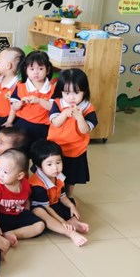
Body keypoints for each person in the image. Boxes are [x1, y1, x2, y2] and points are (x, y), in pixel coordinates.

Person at [47, 68, 98, 197]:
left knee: (71, 177)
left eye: (76, 93)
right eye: (66, 93)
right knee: (54, 173)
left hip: (76, 149)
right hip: (56, 147)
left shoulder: (87, 107)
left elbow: (84, 130)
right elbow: (56, 123)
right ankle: (54, 195)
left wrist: (80, 117)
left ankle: (68, 196)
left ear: (84, 91)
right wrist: (64, 113)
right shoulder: (57, 103)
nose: (71, 97)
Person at [29, 140, 89, 247]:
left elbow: (63, 197)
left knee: (74, 202)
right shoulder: (38, 185)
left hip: (54, 205)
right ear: (38, 166)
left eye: (58, 162)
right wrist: (61, 221)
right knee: (39, 212)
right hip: (46, 209)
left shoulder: (58, 176)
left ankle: (73, 221)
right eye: (49, 164)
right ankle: (69, 233)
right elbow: (47, 208)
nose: (55, 168)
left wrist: (71, 206)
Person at [0, 149, 45, 248]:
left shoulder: (25, 184)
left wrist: (27, 211)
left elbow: (27, 198)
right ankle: (3, 234)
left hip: (19, 214)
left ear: (19, 175)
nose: (0, 174)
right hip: (1, 216)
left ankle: (12, 233)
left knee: (40, 226)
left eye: (5, 172)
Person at [6, 50, 55, 146]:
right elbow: (13, 107)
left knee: (39, 151)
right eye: (32, 69)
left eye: (40, 68)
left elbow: (53, 107)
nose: (36, 72)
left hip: (43, 128)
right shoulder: (20, 87)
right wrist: (20, 103)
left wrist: (39, 101)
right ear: (26, 70)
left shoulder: (53, 89)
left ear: (48, 70)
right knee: (20, 150)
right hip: (22, 125)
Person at [0, 47, 25, 165]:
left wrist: (9, 121)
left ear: (8, 65)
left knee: (6, 145)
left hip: (8, 121)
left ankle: (4, 165)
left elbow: (15, 105)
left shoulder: (17, 84)